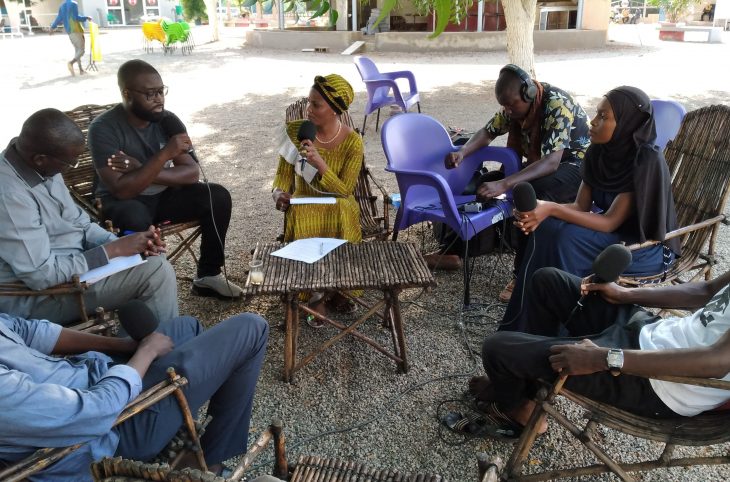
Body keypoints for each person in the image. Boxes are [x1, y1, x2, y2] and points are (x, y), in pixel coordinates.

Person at [443, 266, 730, 439]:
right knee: (547, 281)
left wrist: (604, 358)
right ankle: (524, 388)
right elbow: (705, 290)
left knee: (496, 350)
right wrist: (625, 294)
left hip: (660, 383)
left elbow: (717, 363)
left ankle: (520, 411)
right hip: (652, 333)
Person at [0, 310, 269, 481]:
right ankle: (207, 462)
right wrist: (145, 353)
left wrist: (125, 346)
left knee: (187, 327)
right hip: (114, 429)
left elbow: (30, 331)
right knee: (252, 328)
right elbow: (94, 412)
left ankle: (178, 421)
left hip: (95, 375)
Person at [501, 86, 680, 333]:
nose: (593, 123)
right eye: (597, 114)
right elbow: (580, 207)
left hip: (646, 248)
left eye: (604, 117)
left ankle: (558, 337)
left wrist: (550, 207)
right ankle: (518, 330)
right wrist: (540, 213)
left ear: (628, 123)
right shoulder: (598, 151)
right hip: (613, 238)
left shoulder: (644, 160)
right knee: (546, 229)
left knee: (567, 239)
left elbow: (609, 222)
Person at [0, 108, 177, 325]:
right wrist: (113, 251)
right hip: (39, 298)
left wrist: (125, 245)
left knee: (150, 259)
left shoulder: (39, 165)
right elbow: (41, 276)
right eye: (68, 163)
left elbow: (80, 223)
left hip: (74, 272)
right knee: (155, 273)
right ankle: (159, 352)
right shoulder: (9, 196)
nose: (67, 170)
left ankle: (141, 349)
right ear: (39, 159)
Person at [87, 59, 242, 300]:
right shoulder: (104, 129)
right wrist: (164, 156)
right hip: (122, 204)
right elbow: (122, 189)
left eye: (161, 91)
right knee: (133, 216)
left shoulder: (168, 121)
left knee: (217, 196)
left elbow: (191, 174)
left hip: (162, 197)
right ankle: (141, 284)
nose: (159, 99)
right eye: (150, 94)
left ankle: (207, 276)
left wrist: (142, 168)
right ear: (127, 94)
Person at [440, 64, 589, 295]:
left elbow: (551, 162)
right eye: (504, 106)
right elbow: (488, 132)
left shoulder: (557, 104)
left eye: (511, 105)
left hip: (577, 165)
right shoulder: (514, 108)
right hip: (543, 164)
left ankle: (522, 275)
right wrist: (463, 152)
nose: (507, 111)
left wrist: (504, 184)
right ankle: (463, 247)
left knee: (529, 193)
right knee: (487, 184)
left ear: (528, 93)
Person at [272, 74, 363, 319]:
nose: (308, 110)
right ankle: (314, 294)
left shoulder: (353, 142)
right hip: (304, 200)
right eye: (308, 102)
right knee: (300, 211)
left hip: (338, 201)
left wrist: (321, 164)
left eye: (316, 105)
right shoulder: (295, 131)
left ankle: (340, 287)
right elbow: (282, 176)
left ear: (335, 110)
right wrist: (278, 193)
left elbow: (345, 190)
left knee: (343, 209)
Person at [50, 0, 92, 77]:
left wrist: (52, 27)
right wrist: (86, 17)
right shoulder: (73, 3)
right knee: (81, 50)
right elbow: (76, 18)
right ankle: (71, 63)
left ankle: (81, 70)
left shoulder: (62, 5)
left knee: (77, 50)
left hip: (69, 31)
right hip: (76, 29)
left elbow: (59, 18)